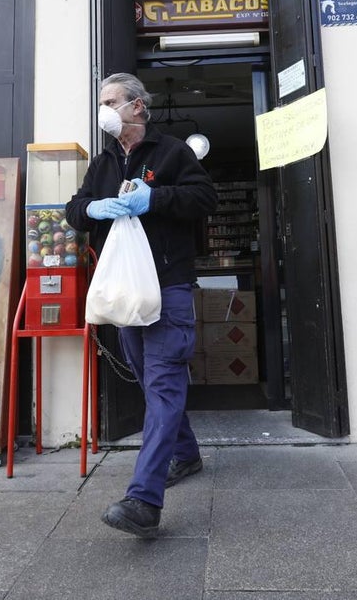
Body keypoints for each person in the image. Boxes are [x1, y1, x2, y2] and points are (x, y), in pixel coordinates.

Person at [67, 72, 218, 538]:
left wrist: (156, 199)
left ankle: (144, 501)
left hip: (167, 286)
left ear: (137, 106)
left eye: (111, 101)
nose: (104, 111)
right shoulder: (103, 163)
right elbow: (75, 208)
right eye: (101, 103)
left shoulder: (172, 152)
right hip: (125, 292)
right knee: (150, 378)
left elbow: (204, 198)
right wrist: (92, 209)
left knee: (164, 381)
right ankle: (186, 454)